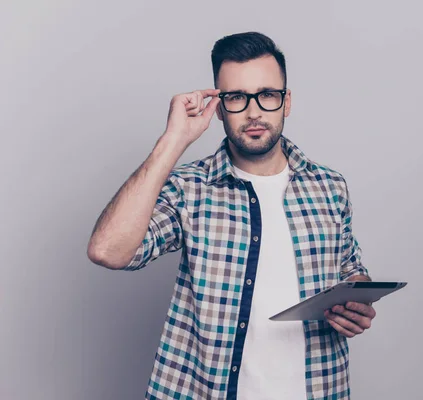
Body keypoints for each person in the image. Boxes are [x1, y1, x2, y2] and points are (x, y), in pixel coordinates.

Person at [87, 31, 376, 400]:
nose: (254, 112)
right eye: (237, 97)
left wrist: (357, 301)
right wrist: (173, 140)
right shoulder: (190, 188)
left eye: (267, 95)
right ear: (220, 107)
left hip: (318, 388)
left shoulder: (330, 186)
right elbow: (108, 250)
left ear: (286, 102)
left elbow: (349, 269)